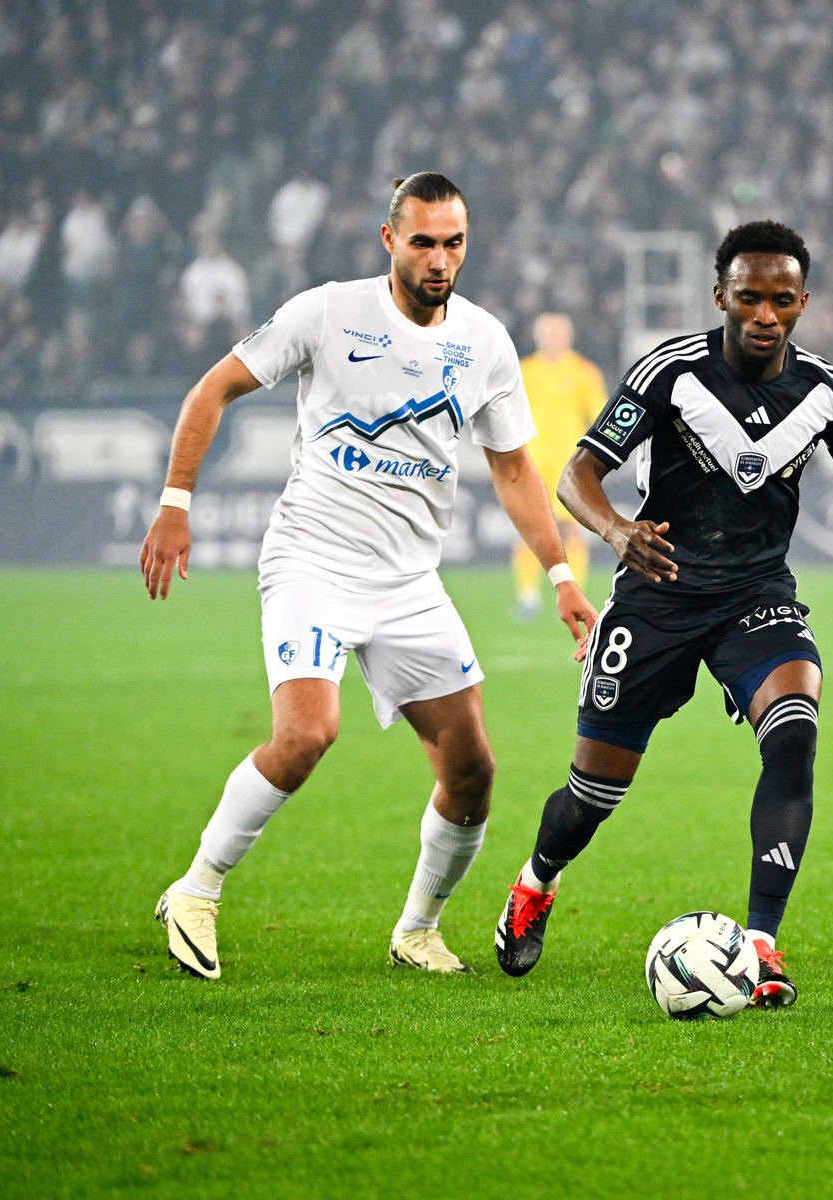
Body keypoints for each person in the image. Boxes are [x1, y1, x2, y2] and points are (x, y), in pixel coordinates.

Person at [140, 172, 599, 979]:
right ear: (389, 239)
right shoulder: (327, 312)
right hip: (312, 561)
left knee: (472, 770)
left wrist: (560, 571)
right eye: (423, 242)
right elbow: (214, 389)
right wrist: (176, 501)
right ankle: (196, 890)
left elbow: (513, 469)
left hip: (409, 582)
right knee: (306, 735)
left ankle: (418, 930)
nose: (439, 259)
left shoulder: (485, 342)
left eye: (453, 243)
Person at [489, 221, 833, 1005]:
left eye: (782, 300)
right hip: (655, 594)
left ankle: (761, 944)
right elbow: (577, 475)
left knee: (794, 734)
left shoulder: (829, 394)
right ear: (720, 296)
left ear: (803, 303)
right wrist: (617, 532)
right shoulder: (669, 373)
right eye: (749, 297)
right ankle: (536, 881)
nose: (766, 315)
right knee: (591, 798)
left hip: (755, 597)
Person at [512, 312, 607, 618]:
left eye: (558, 332)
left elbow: (599, 417)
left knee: (573, 529)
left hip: (570, 464)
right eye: (547, 332)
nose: (553, 338)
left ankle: (573, 592)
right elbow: (510, 416)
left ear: (569, 336)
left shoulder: (584, 372)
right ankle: (528, 596)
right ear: (537, 336)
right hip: (532, 462)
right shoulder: (523, 371)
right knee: (528, 528)